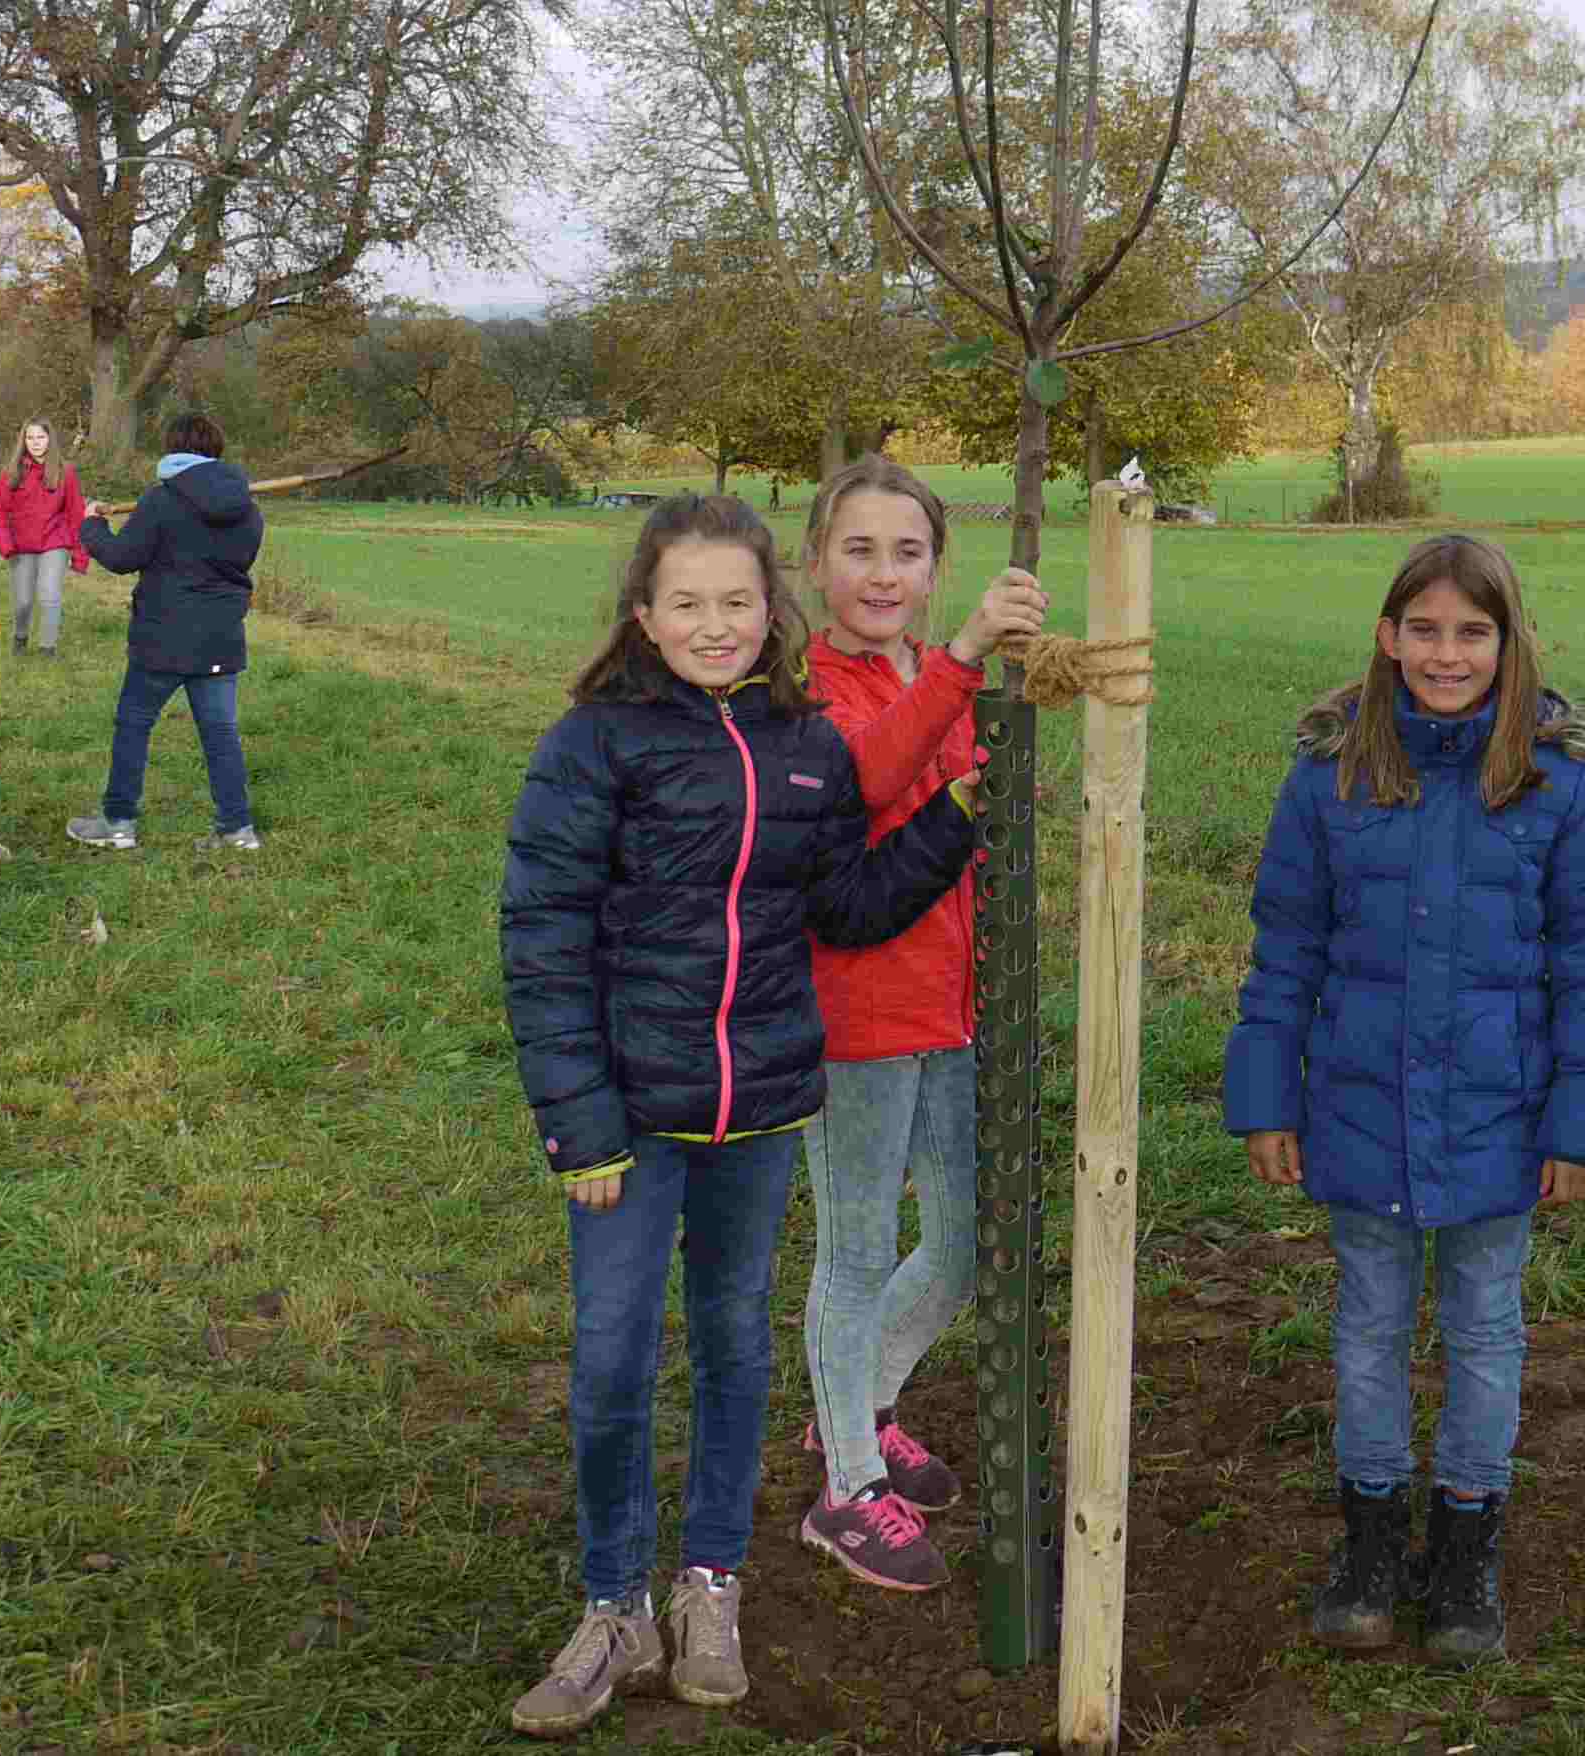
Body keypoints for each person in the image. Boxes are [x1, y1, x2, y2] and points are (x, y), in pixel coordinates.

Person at [496, 492, 984, 1739]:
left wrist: (955, 819)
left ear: (772, 611)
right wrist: (579, 1123)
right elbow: (542, 936)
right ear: (645, 616)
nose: (713, 624)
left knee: (732, 1351)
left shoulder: (801, 743)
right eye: (686, 603)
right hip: (629, 1122)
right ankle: (615, 1606)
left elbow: (848, 906)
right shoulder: (595, 745)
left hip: (756, 1113)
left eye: (736, 601)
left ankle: (710, 1585)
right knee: (611, 1361)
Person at [1222, 533, 1585, 1666]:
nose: (1445, 654)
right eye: (1424, 630)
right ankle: (1368, 1542)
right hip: (1359, 1106)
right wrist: (1270, 1098)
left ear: (1508, 643)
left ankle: (1464, 1549)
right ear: (1386, 636)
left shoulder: (1564, 783)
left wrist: (1579, 1123)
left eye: (1470, 632)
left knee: (1484, 1328)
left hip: (1500, 1118)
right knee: (1366, 1325)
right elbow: (1286, 950)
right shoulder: (1329, 774)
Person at [786, 456, 1050, 1591]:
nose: (883, 572)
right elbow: (868, 783)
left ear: (936, 565)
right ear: (815, 565)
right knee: (852, 1254)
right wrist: (962, 661)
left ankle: (857, 1400)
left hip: (951, 1007)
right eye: (859, 550)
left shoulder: (928, 674)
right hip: (852, 1018)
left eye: (907, 551)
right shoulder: (812, 693)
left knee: (958, 1247)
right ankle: (847, 1488)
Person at [63, 413, 263, 853]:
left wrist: (92, 524)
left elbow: (120, 556)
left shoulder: (160, 500)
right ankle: (237, 829)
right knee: (221, 733)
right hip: (220, 638)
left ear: (174, 451)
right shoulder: (247, 507)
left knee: (133, 724)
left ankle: (118, 823)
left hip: (163, 639)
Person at [0, 420, 90, 656]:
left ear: (49, 440)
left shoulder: (66, 472)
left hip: (55, 541)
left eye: (40, 437)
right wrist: (5, 544)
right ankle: (20, 637)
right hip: (20, 545)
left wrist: (80, 554)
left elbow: (76, 514)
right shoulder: (11, 473)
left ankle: (47, 648)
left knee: (49, 594)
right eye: (30, 438)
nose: (35, 443)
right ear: (23, 441)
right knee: (23, 602)